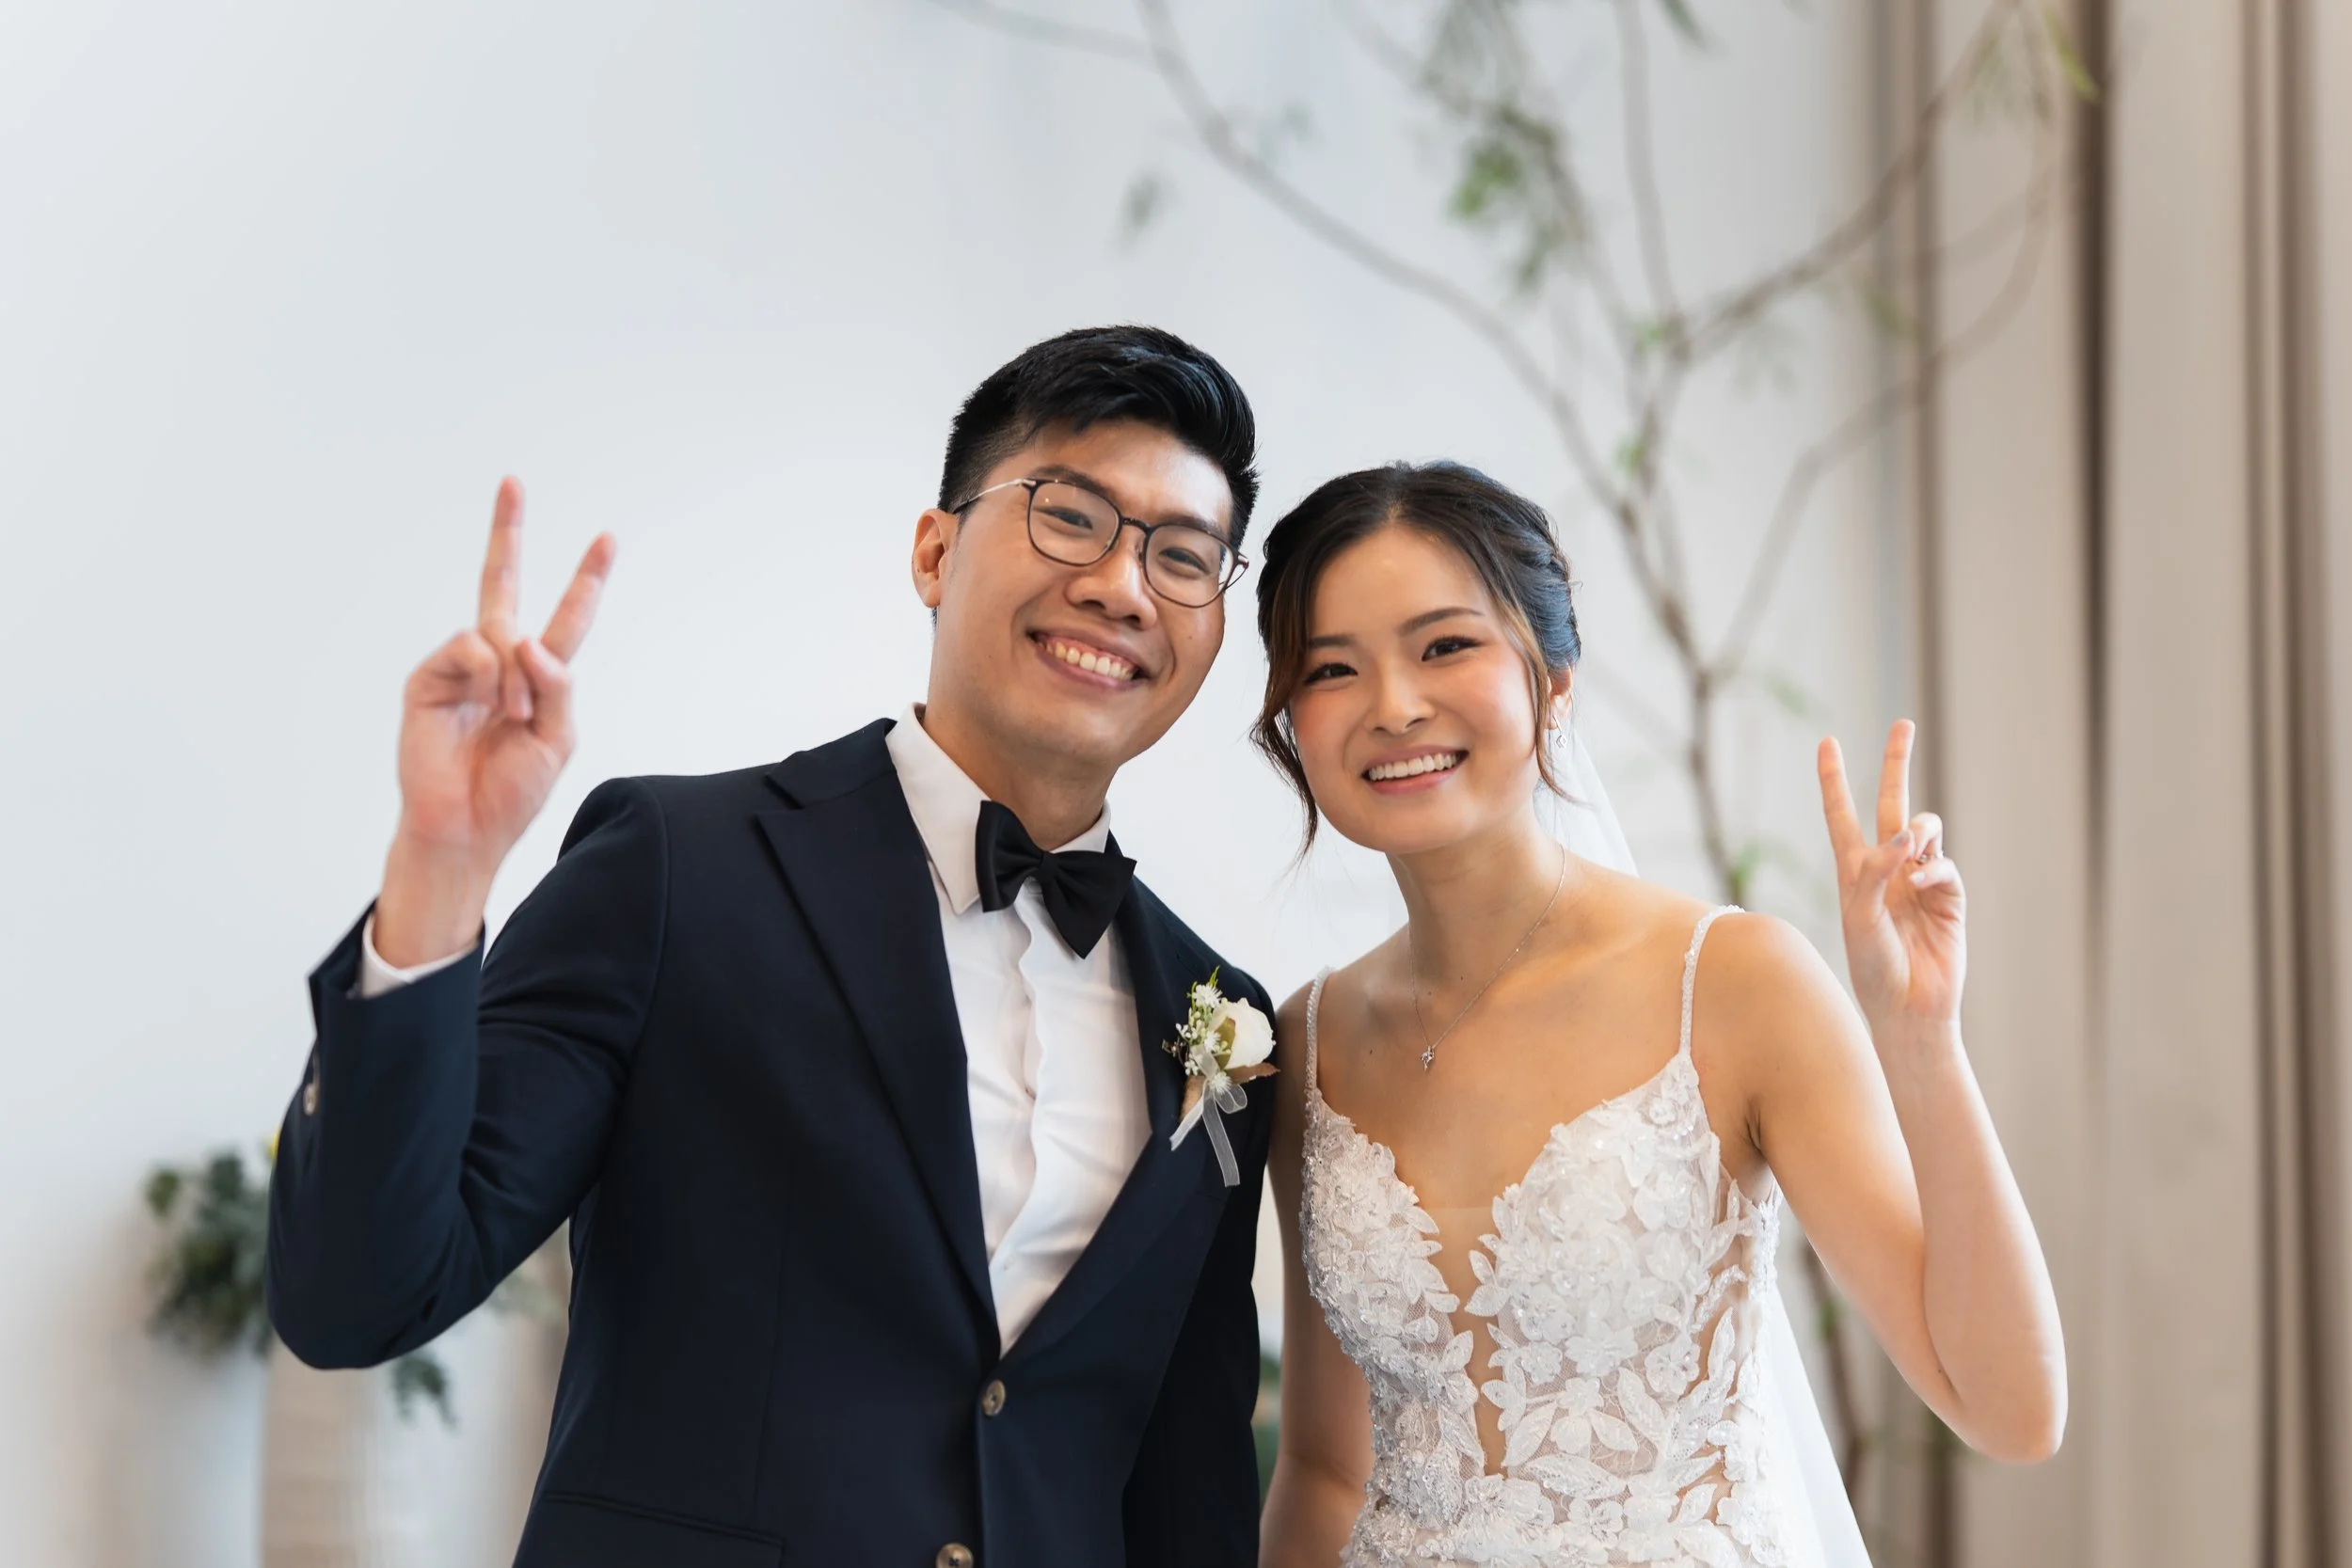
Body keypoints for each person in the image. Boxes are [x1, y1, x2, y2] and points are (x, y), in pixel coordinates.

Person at [265, 325, 1281, 1568]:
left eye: (1183, 555)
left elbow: (1188, 1495)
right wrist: (441, 865)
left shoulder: (1221, 1013)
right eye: (1071, 514)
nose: (1124, 585)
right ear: (934, 548)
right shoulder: (678, 864)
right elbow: (360, 1290)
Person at [1251, 463, 2067, 1567]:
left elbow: (2009, 1409)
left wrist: (1920, 1040)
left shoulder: (1731, 985)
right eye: (1332, 667)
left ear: (1556, 680)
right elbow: (1324, 1468)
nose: (1393, 703)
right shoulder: (1305, 1043)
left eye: (1445, 645)